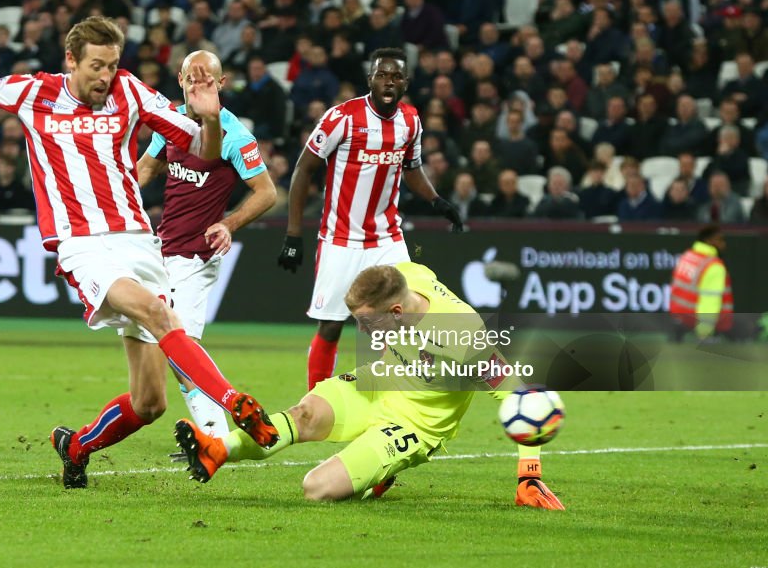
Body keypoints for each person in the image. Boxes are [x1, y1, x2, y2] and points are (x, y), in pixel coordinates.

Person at [0, 16, 279, 490]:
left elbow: (203, 152)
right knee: (156, 313)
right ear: (71, 60)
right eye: (95, 66)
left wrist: (209, 118)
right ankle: (235, 403)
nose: (105, 77)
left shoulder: (130, 91)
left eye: (111, 65)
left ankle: (76, 447)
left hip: (138, 241)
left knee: (150, 403)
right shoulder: (32, 93)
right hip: (83, 244)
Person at [174, 262, 565, 509]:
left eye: (366, 321)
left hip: (413, 426)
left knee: (316, 488)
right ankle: (216, 450)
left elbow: (522, 400)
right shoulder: (408, 274)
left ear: (396, 311)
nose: (360, 330)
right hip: (375, 384)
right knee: (305, 413)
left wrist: (528, 475)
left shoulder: (463, 336)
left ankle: (379, 470)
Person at [278, 47, 463, 391]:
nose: (389, 82)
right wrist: (293, 234)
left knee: (404, 316)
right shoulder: (342, 117)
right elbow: (304, 170)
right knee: (331, 326)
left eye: (396, 76)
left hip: (387, 238)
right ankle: (317, 402)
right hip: (340, 238)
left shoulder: (411, 121)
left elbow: (412, 169)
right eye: (382, 75)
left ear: (406, 82)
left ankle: (395, 396)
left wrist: (437, 201)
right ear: (370, 80)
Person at [137, 50, 277, 438]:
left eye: (205, 79)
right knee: (173, 348)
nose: (196, 85)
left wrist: (229, 223)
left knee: (181, 346)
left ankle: (215, 435)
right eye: (190, 79)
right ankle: (215, 431)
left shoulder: (233, 134)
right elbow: (147, 168)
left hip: (196, 255)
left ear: (221, 83)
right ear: (180, 81)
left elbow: (266, 192)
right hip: (162, 250)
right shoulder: (170, 121)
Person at [668, 226, 734, 340]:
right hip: (702, 323)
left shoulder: (688, 256)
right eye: (720, 240)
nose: (724, 245)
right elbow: (710, 302)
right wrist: (705, 333)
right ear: (709, 241)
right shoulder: (714, 266)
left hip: (679, 318)